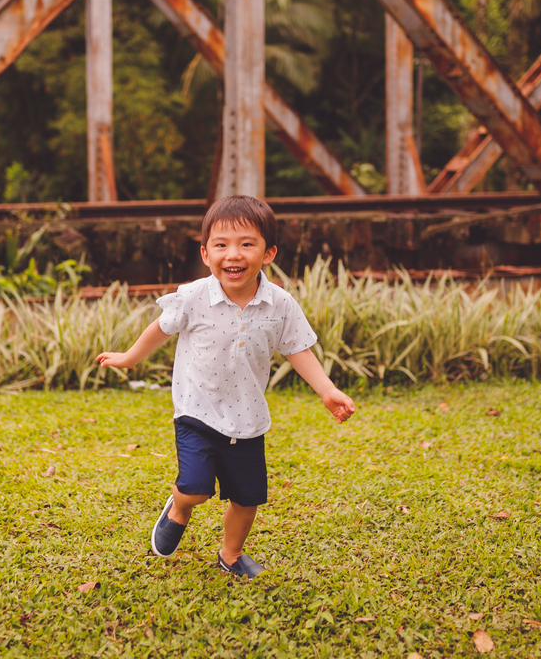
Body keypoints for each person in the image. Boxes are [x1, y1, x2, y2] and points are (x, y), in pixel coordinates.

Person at [96, 195, 357, 579]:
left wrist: (327, 389)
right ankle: (179, 509)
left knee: (247, 498)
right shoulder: (194, 297)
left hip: (248, 419)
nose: (232, 254)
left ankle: (231, 554)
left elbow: (298, 349)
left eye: (246, 244)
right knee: (196, 488)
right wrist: (130, 358)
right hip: (196, 410)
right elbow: (160, 328)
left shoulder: (280, 304)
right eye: (221, 245)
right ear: (205, 253)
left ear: (268, 253)